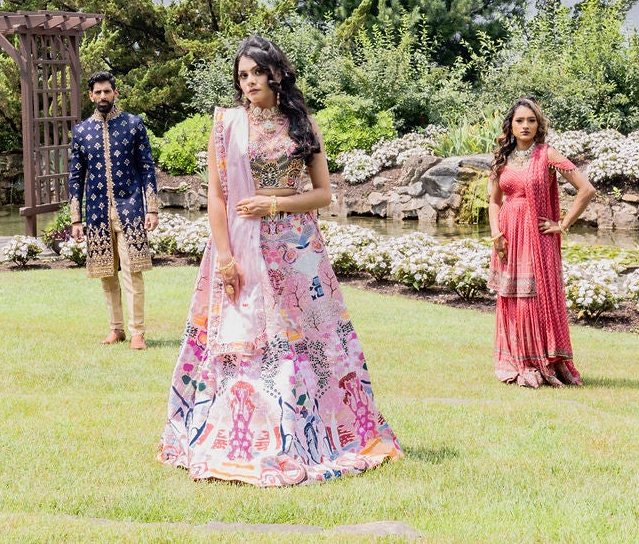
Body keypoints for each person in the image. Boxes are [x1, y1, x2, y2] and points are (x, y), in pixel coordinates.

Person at [158, 36, 400, 486]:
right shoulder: (226, 125)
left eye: (257, 73)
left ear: (277, 74)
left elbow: (323, 194)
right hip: (239, 245)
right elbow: (216, 195)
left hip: (295, 247)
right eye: (243, 74)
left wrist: (274, 205)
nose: (249, 82)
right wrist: (226, 256)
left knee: (301, 341)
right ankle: (237, 436)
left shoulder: (302, 123)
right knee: (245, 340)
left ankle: (305, 433)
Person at [487, 97, 595, 387]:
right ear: (511, 124)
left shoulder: (548, 155)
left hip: (538, 237)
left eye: (531, 120)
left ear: (539, 124)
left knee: (535, 299)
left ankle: (542, 361)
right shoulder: (501, 158)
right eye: (520, 120)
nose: (525, 125)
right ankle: (519, 360)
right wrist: (496, 233)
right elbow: (494, 202)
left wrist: (562, 224)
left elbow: (586, 189)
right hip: (509, 237)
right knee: (513, 299)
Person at [68, 71, 159, 350]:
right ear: (91, 96)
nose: (103, 96)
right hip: (96, 214)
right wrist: (76, 219)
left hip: (130, 209)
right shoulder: (82, 131)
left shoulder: (133, 125)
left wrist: (151, 208)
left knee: (133, 272)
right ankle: (115, 328)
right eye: (98, 92)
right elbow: (75, 176)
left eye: (108, 91)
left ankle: (137, 332)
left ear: (115, 93)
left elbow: (147, 168)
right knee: (106, 274)